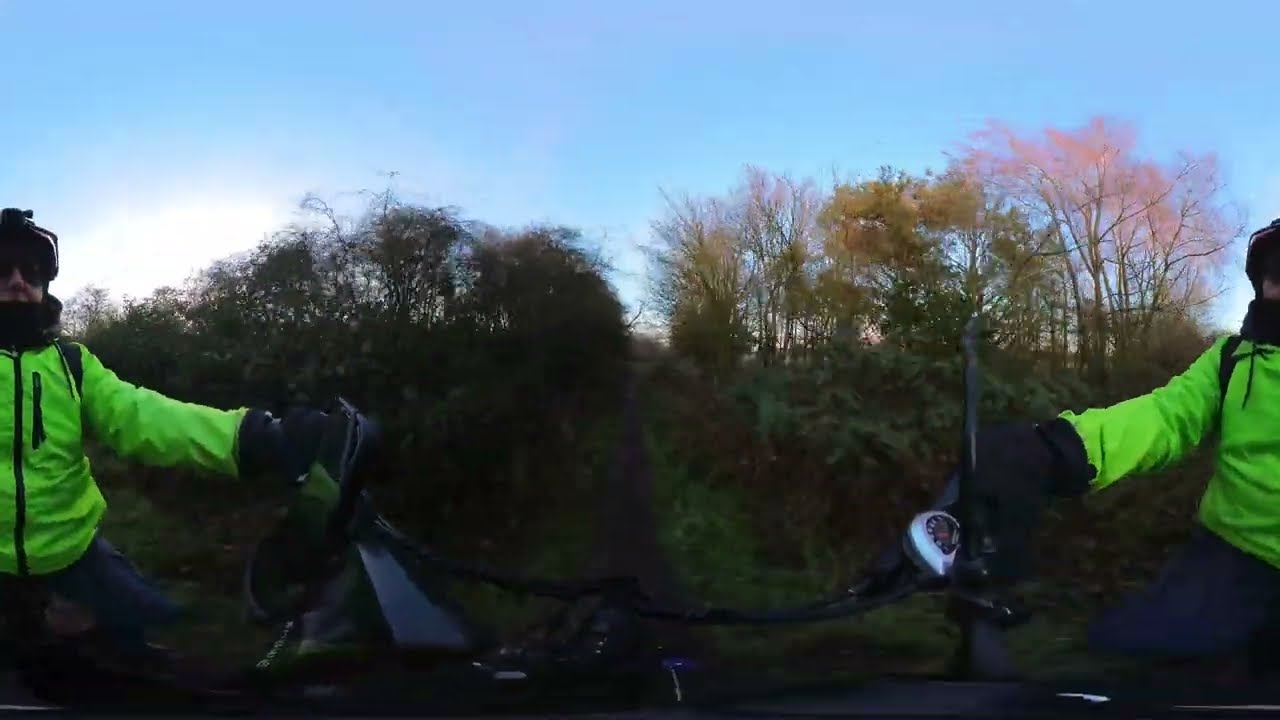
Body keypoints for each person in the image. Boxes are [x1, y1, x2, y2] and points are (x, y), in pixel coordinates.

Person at [0, 208, 326, 673]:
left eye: (31, 271)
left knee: (162, 650)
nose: (17, 281)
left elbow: (145, 417)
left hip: (74, 553)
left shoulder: (73, 364)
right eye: (2, 268)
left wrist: (250, 435)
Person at [964, 217, 1280, 681]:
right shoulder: (1230, 359)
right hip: (1228, 558)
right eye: (1277, 275)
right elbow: (1165, 416)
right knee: (1120, 664)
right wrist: (1062, 448)